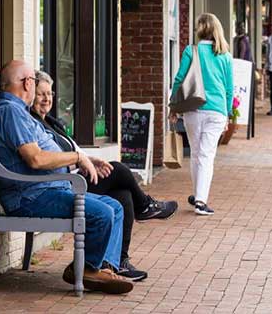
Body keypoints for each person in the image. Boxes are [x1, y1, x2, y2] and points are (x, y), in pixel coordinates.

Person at [0, 60, 132, 294]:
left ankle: (98, 269)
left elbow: (44, 155)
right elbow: (35, 159)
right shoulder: (10, 112)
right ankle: (88, 269)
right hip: (31, 196)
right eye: (34, 81)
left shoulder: (19, 112)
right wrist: (77, 157)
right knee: (102, 213)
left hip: (48, 189)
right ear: (27, 83)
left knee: (115, 207)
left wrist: (86, 160)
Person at [30, 70, 178, 282]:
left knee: (123, 194)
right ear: (31, 96)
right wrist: (80, 162)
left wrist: (88, 160)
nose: (46, 99)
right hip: (67, 184)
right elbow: (50, 159)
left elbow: (74, 152)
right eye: (40, 94)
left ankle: (118, 262)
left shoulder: (53, 123)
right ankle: (145, 206)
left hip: (76, 176)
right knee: (118, 169)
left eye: (49, 93)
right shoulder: (33, 125)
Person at [170, 13, 233, 216]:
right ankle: (200, 200)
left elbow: (179, 79)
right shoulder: (225, 55)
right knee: (206, 155)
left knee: (197, 154)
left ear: (199, 29)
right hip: (217, 110)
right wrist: (228, 114)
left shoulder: (192, 51)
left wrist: (173, 106)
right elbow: (229, 89)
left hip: (193, 108)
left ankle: (199, 195)